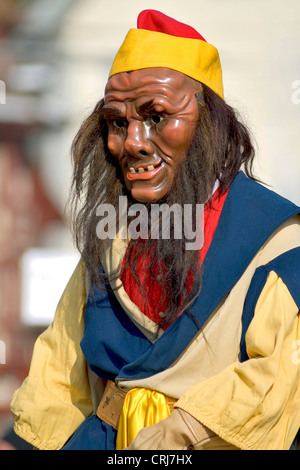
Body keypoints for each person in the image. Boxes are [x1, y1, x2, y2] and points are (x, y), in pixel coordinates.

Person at [10, 9, 300, 451]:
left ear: (211, 122)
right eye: (118, 122)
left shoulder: (279, 242)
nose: (133, 142)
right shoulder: (109, 242)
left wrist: (172, 437)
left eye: (157, 116)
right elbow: (59, 370)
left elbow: (275, 381)